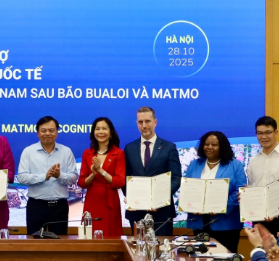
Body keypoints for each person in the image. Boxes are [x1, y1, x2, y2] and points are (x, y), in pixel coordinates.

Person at [183, 131, 246, 252]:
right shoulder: (194, 164)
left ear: (222, 146)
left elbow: (239, 192)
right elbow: (187, 189)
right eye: (206, 144)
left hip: (226, 224)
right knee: (200, 258)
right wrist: (191, 205)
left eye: (214, 144)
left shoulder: (235, 165)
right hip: (199, 222)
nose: (209, 147)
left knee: (225, 259)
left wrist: (221, 207)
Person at [123, 106, 181, 236]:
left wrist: (160, 198)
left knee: (162, 247)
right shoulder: (129, 148)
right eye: (140, 122)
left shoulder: (169, 147)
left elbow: (176, 178)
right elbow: (125, 178)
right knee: (137, 247)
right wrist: (130, 197)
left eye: (147, 121)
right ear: (137, 124)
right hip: (136, 211)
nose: (144, 125)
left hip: (162, 211)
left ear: (155, 122)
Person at [18, 116, 78, 236]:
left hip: (59, 207)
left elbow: (74, 177)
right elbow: (22, 178)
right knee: (34, 242)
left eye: (51, 130)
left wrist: (59, 175)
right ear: (38, 133)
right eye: (43, 130)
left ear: (57, 132)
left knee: (60, 242)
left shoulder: (66, 151)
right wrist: (44, 177)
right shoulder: (28, 152)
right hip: (36, 206)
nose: (47, 133)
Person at [77, 117, 125, 238]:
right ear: (93, 132)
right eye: (97, 129)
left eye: (104, 128)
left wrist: (101, 171)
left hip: (110, 200)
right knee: (90, 235)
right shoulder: (87, 153)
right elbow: (82, 183)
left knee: (111, 236)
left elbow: (119, 182)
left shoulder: (118, 153)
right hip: (92, 199)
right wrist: (93, 174)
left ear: (111, 132)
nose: (101, 132)